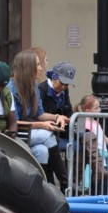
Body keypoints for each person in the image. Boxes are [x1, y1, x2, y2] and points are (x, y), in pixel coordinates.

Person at [9, 50, 69, 189]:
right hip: (14, 133)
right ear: (27, 67)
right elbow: (14, 123)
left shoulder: (33, 85)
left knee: (42, 150)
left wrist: (57, 117)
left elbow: (39, 113)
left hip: (28, 132)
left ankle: (43, 189)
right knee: (47, 135)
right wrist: (42, 125)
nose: (41, 68)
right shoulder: (11, 89)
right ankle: (64, 182)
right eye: (37, 64)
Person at [73, 94, 108, 195]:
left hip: (102, 160)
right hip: (93, 161)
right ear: (88, 110)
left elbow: (105, 140)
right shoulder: (82, 122)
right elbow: (82, 142)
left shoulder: (96, 123)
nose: (100, 110)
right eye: (97, 108)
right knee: (101, 189)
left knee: (105, 188)